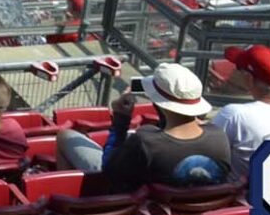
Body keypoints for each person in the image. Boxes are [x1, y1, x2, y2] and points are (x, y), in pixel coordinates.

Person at [56, 63, 234, 192]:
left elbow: (108, 169)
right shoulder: (219, 137)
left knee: (65, 136)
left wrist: (120, 121)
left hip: (138, 207)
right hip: (190, 214)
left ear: (159, 104)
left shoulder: (146, 141)